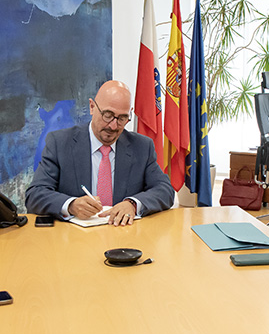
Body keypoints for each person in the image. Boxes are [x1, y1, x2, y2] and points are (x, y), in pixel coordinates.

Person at [25, 80, 174, 225]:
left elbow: (164, 190)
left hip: (124, 236)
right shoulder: (60, 143)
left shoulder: (141, 146)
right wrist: (71, 205)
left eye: (122, 118)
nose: (113, 126)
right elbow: (35, 194)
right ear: (92, 107)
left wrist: (133, 204)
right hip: (75, 240)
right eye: (107, 115)